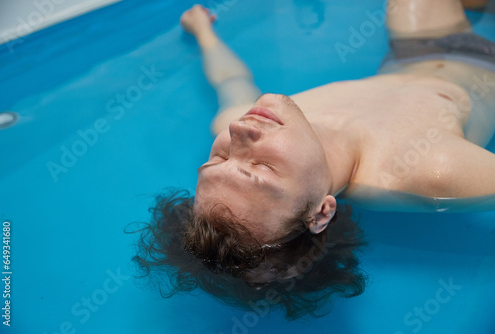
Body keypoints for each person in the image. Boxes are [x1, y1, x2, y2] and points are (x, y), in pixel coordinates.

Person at [129, 0, 495, 319]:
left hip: (414, 49)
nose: (240, 133)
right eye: (260, 167)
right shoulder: (428, 170)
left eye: (219, 157)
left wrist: (204, 34)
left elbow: (231, 80)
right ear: (322, 212)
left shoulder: (251, 120)